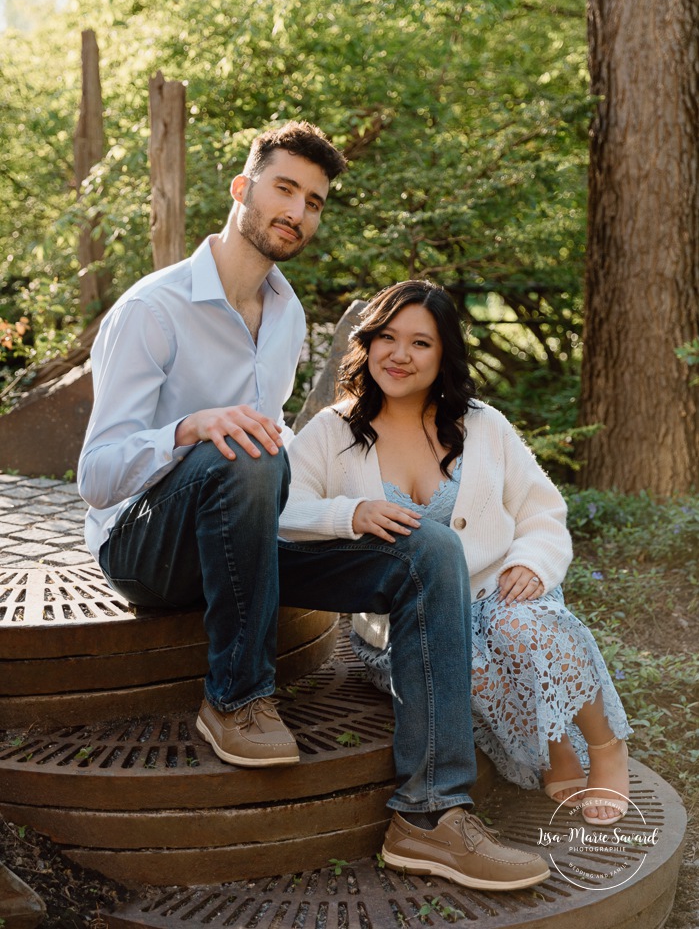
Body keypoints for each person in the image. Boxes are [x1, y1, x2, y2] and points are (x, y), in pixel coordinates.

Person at [78, 122, 550, 893]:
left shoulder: (288, 315)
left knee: (427, 549)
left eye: (314, 201)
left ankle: (430, 815)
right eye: (283, 189)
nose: (297, 210)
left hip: (246, 534)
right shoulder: (151, 310)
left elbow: (280, 481)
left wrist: (346, 516)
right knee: (246, 447)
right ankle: (235, 697)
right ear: (243, 190)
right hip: (147, 548)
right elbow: (96, 477)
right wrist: (190, 428)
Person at [279, 279, 632, 832]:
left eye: (420, 343)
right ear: (367, 343)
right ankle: (550, 753)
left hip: (497, 585)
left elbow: (542, 510)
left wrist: (532, 563)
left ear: (443, 354)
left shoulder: (483, 424)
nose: (399, 355)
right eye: (387, 338)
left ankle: (603, 747)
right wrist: (349, 514)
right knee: (468, 669)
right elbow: (281, 508)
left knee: (527, 630)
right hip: (406, 619)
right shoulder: (333, 431)